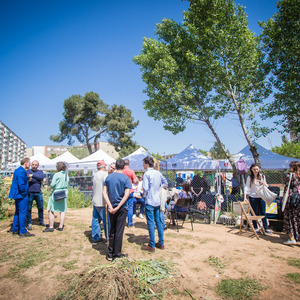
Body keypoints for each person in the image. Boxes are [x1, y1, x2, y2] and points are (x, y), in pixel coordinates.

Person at [103, 159, 131, 261]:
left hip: (111, 207)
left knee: (112, 230)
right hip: (121, 207)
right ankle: (117, 254)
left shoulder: (108, 177)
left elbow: (104, 192)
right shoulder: (126, 178)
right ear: (124, 167)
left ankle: (110, 253)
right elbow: (127, 194)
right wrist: (118, 207)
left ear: (115, 166)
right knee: (119, 231)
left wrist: (110, 206)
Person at [141, 156, 168, 252]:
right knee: (159, 222)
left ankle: (151, 244)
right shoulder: (158, 173)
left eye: (144, 163)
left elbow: (145, 188)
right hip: (158, 200)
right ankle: (161, 242)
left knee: (151, 223)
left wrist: (143, 195)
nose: (143, 164)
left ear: (147, 163)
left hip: (150, 200)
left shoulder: (146, 174)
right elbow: (165, 182)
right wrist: (160, 188)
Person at [8, 157, 35, 237]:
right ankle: (22, 231)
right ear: (25, 163)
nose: (29, 165)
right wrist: (24, 193)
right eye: (29, 163)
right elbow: (21, 184)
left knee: (17, 212)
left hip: (17, 195)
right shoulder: (22, 171)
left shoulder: (17, 170)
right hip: (21, 195)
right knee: (22, 212)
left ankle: (15, 229)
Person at [245, 163, 272, 234]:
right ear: (251, 170)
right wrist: (246, 197)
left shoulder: (262, 176)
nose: (256, 171)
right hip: (253, 196)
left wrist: (264, 184)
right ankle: (256, 227)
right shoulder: (250, 177)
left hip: (261, 196)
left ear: (259, 169)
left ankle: (265, 227)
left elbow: (266, 185)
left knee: (263, 212)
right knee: (254, 213)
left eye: (257, 169)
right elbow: (247, 187)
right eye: (254, 169)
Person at [43, 162, 69, 232]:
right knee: (62, 210)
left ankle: (51, 227)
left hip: (56, 192)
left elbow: (52, 184)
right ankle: (61, 226)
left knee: (51, 209)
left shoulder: (57, 175)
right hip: (64, 192)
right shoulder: (66, 175)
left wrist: (50, 186)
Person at [91, 160, 110, 244]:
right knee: (106, 221)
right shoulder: (105, 175)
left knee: (95, 220)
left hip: (95, 200)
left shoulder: (95, 175)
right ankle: (108, 238)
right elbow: (107, 188)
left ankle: (96, 238)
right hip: (103, 201)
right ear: (104, 166)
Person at [283, 161, 300, 245]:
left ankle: (291, 237)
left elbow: (286, 188)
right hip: (298, 199)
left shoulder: (290, 175)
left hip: (291, 199)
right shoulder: (299, 176)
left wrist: (283, 199)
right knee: (297, 218)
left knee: (290, 217)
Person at [26, 160, 46, 230]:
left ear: (38, 166)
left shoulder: (40, 172)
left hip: (38, 192)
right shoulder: (28, 171)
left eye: (35, 165)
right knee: (29, 208)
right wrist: (38, 180)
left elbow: (41, 178)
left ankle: (41, 221)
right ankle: (29, 222)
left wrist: (33, 176)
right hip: (30, 192)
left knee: (40, 207)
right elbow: (28, 179)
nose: (34, 166)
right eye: (33, 164)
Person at [122, 159, 138, 227]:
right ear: (128, 164)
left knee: (122, 207)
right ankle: (130, 223)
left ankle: (122, 222)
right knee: (130, 207)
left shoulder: (121, 171)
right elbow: (134, 181)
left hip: (122, 192)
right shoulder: (131, 171)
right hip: (129, 191)